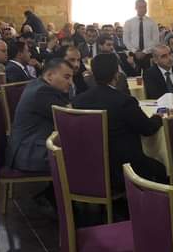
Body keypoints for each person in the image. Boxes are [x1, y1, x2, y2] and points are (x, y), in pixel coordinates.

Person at [72, 54, 167, 192]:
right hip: (126, 167)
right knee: (162, 168)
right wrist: (158, 117)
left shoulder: (79, 100)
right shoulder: (124, 101)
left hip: (92, 164)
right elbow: (147, 129)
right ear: (116, 75)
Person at [5, 58, 72, 172]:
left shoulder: (37, 84)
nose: (70, 82)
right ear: (50, 75)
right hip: (30, 152)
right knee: (83, 155)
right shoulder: (43, 91)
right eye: (67, 77)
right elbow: (68, 117)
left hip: (28, 146)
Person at [123, 0, 160, 71]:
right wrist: (135, 51)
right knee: (134, 74)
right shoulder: (129, 22)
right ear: (135, 8)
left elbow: (156, 40)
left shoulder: (152, 22)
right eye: (140, 7)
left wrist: (144, 52)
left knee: (149, 74)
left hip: (148, 55)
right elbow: (126, 40)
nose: (143, 9)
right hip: (133, 54)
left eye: (144, 7)